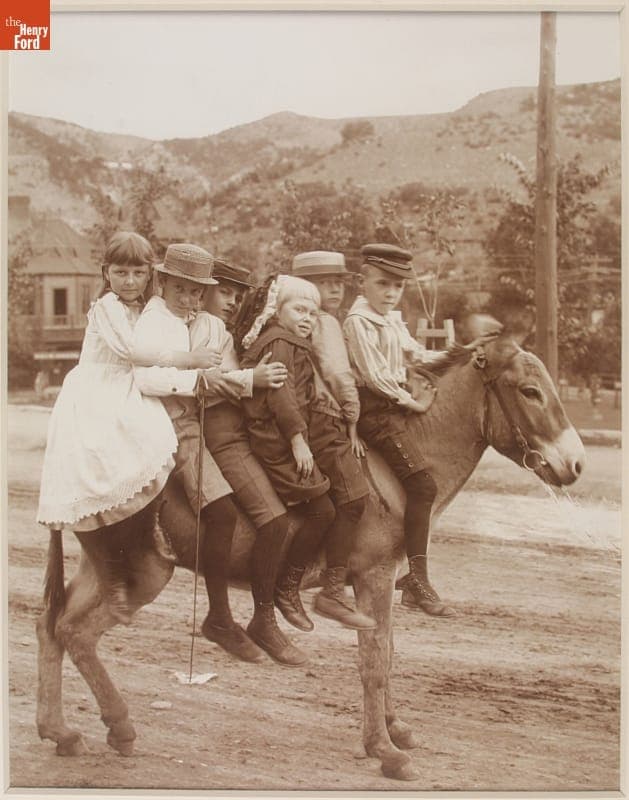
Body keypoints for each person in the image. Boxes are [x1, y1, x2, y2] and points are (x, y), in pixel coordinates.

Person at [36, 231, 190, 619]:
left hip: (128, 392)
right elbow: (132, 352)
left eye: (138, 273)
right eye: (120, 273)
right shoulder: (105, 307)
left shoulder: (147, 308)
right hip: (95, 395)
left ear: (148, 274)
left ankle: (150, 524)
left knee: (163, 450)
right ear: (106, 273)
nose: (129, 281)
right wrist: (188, 360)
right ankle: (109, 573)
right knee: (98, 471)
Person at [344, 243, 496, 617]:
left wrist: (463, 352)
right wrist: (413, 403)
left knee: (426, 472)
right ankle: (416, 579)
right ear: (363, 283)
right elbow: (377, 378)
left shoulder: (391, 320)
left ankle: (409, 568)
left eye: (397, 287)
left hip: (395, 408)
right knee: (423, 484)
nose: (390, 293)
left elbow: (418, 356)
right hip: (376, 411)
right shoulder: (358, 322)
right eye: (383, 284)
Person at [238, 275, 376, 632]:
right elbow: (282, 397)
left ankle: (309, 587)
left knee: (332, 505)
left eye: (313, 314)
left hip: (287, 434)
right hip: (277, 440)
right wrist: (299, 441)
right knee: (323, 510)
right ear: (277, 309)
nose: (307, 318)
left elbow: (301, 395)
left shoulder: (291, 341)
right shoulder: (280, 341)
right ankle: (290, 587)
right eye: (299, 309)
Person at [187, 258, 308, 667]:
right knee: (273, 521)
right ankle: (261, 619)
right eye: (225, 292)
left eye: (239, 295)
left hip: (242, 426)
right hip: (222, 430)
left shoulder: (223, 329)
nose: (232, 301)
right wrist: (254, 378)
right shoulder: (198, 327)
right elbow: (210, 381)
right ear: (204, 291)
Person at [290, 250, 364, 458]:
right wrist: (352, 418)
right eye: (325, 282)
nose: (335, 289)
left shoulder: (293, 321)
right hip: (325, 416)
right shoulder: (325, 321)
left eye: (339, 282)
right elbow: (337, 373)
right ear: (306, 287)